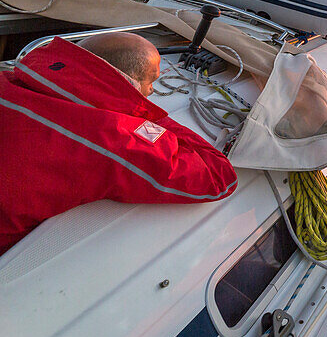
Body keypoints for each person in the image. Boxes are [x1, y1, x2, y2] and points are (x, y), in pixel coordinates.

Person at [0, 35, 238, 254]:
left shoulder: (7, 79)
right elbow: (219, 177)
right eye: (151, 82)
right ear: (128, 82)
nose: (152, 90)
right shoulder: (112, 138)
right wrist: (144, 113)